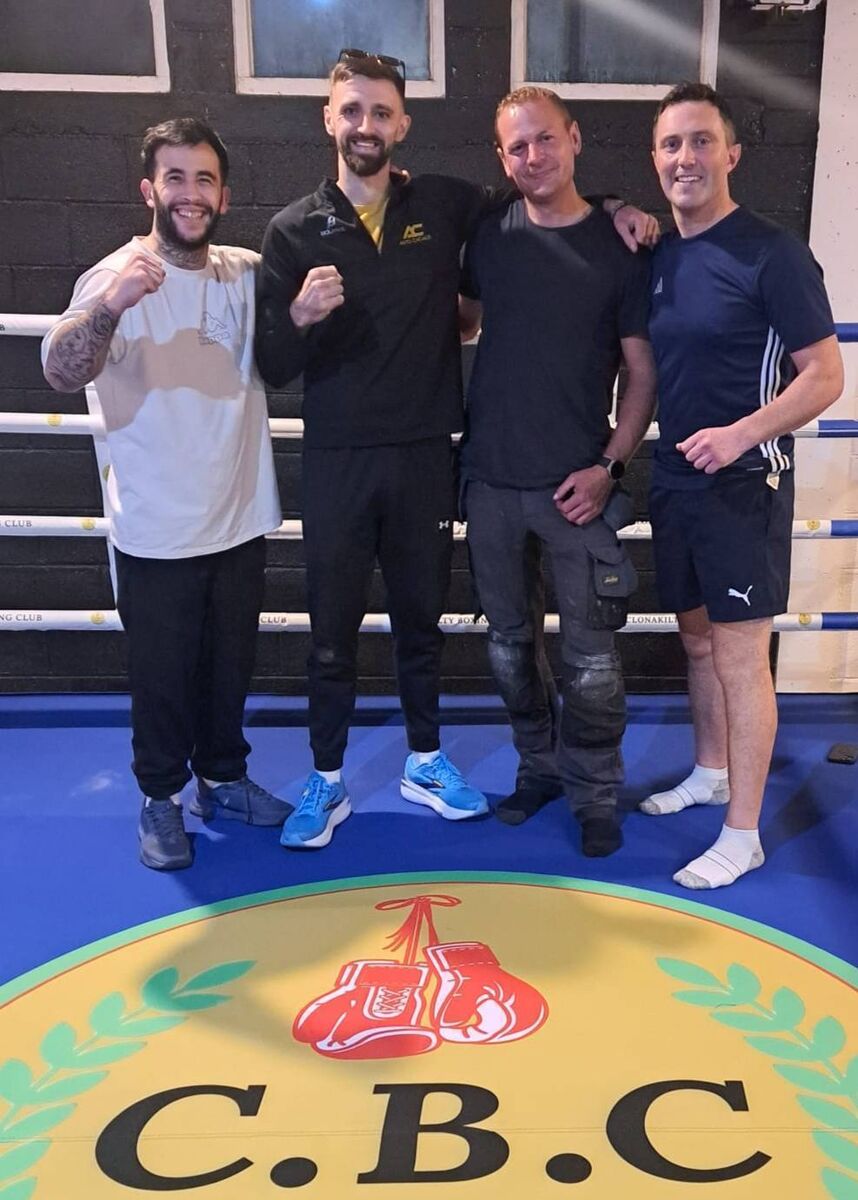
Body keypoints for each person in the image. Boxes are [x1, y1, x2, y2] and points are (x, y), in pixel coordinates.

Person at [255, 52, 655, 851]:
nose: (365, 125)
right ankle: (327, 778)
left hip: (430, 458)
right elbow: (271, 367)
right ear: (329, 120)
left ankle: (428, 759)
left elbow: (544, 202)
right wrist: (298, 317)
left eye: (381, 113)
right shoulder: (292, 228)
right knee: (335, 631)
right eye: (352, 111)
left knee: (427, 628)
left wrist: (620, 203)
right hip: (346, 457)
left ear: (403, 124)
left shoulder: (445, 204)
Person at [42, 118, 288, 871]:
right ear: (150, 188)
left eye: (204, 179)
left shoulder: (244, 270)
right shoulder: (114, 275)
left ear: (224, 192)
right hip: (154, 528)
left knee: (229, 667)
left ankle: (223, 776)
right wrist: (111, 304)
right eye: (175, 178)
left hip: (239, 516)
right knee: (161, 678)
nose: (191, 193)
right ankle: (160, 797)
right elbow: (57, 368)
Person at [643, 83, 843, 888]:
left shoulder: (774, 252)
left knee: (738, 655)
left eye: (699, 141)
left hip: (744, 482)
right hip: (675, 476)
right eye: (670, 145)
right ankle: (712, 769)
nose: (685, 158)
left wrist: (740, 436)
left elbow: (826, 375)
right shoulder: (661, 254)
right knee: (695, 640)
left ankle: (745, 829)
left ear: (732, 154)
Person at [458, 87, 657, 856]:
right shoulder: (488, 233)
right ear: (501, 157)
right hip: (491, 482)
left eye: (545, 140)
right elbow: (465, 317)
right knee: (509, 649)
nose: (532, 157)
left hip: (578, 488)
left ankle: (595, 793)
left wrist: (611, 465)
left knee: (593, 662)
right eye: (517, 147)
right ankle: (537, 769)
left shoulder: (621, 246)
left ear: (573, 139)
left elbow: (642, 374)